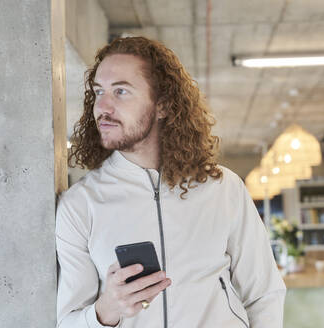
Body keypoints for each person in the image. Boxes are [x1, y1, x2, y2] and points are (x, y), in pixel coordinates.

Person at [56, 36, 286, 328]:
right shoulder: (80, 204)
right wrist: (105, 310)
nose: (103, 106)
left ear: (162, 105)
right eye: (98, 91)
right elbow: (67, 322)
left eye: (121, 91)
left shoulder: (223, 188)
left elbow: (264, 293)